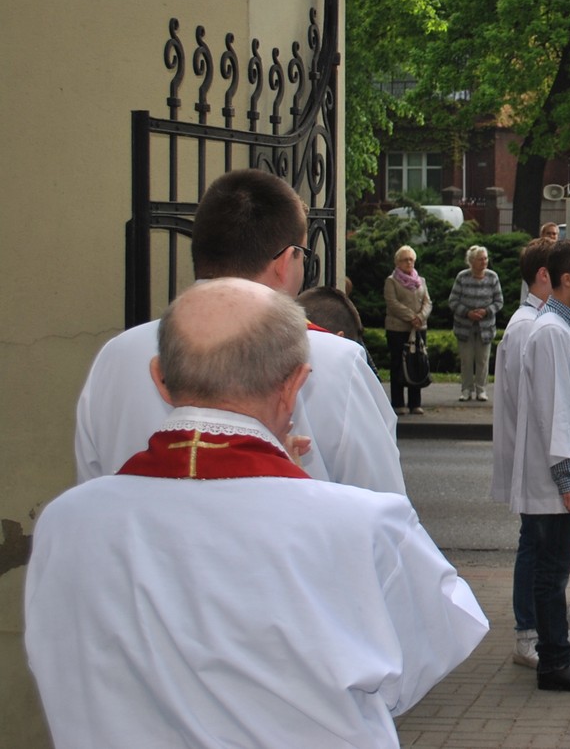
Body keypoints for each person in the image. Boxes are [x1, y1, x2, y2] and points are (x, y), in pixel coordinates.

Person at [32, 279, 487, 747]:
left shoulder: (64, 523)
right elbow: (421, 655)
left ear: (160, 380)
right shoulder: (363, 525)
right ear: (294, 386)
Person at [76, 168, 403, 494]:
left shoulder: (115, 356)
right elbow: (383, 507)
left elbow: (93, 490)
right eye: (302, 255)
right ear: (286, 260)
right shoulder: (337, 360)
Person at [492, 239, 570, 692]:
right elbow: (551, 410)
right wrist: (567, 475)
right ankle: (554, 663)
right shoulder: (548, 333)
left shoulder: (560, 328)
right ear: (564, 279)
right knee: (551, 569)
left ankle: (558, 654)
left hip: (557, 473)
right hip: (552, 477)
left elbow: (568, 402)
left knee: (554, 566)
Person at [448, 244, 503, 403]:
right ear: (471, 261)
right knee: (466, 360)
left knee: (483, 360)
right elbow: (453, 301)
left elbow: (499, 301)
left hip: (485, 327)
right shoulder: (462, 277)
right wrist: (467, 312)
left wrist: (486, 311)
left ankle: (481, 389)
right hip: (464, 327)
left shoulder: (493, 277)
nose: (484, 262)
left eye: (485, 258)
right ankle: (466, 390)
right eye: (480, 259)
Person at [384, 244, 433, 415]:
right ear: (398, 262)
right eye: (405, 260)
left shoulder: (421, 281)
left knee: (417, 363)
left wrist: (420, 317)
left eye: (411, 259)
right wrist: (411, 316)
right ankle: (398, 403)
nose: (409, 262)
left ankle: (415, 403)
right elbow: (392, 303)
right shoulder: (391, 281)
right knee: (398, 363)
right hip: (398, 329)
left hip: (419, 328)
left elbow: (428, 302)